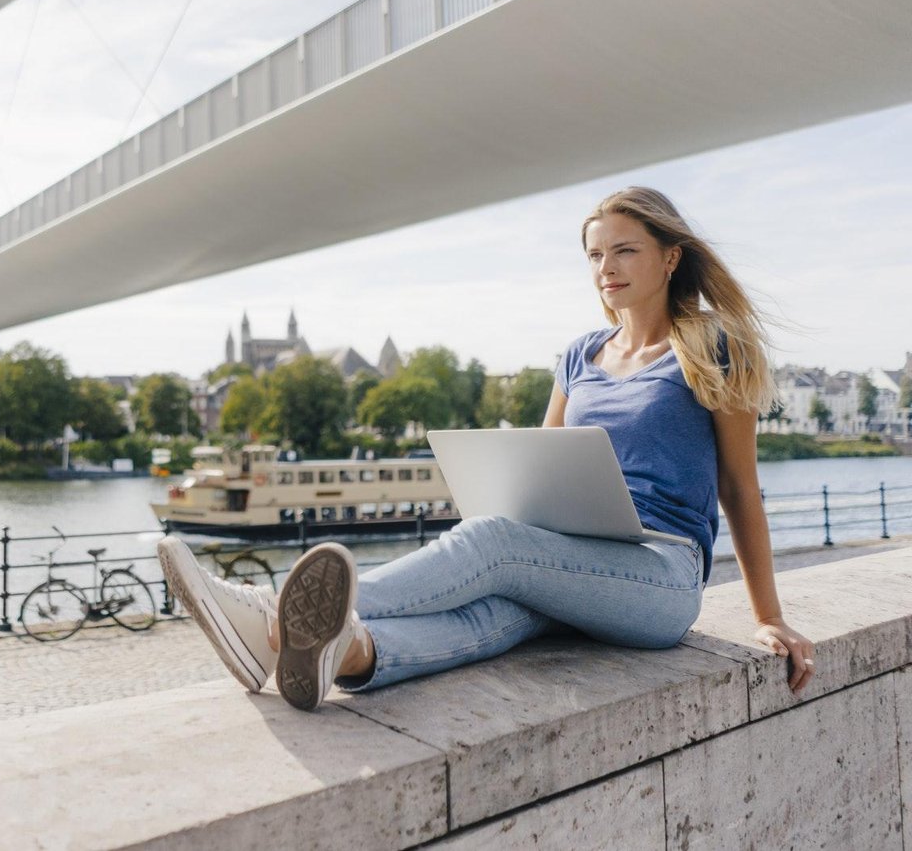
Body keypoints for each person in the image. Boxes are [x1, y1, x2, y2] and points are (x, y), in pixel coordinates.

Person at [159, 186, 816, 711]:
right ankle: (351, 650)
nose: (606, 270)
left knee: (495, 542)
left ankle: (266, 617)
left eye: (624, 252)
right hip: (576, 560)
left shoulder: (714, 347)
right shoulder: (579, 355)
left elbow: (739, 487)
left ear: (670, 257)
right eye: (594, 256)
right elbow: (542, 468)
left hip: (661, 576)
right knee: (495, 613)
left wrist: (771, 617)